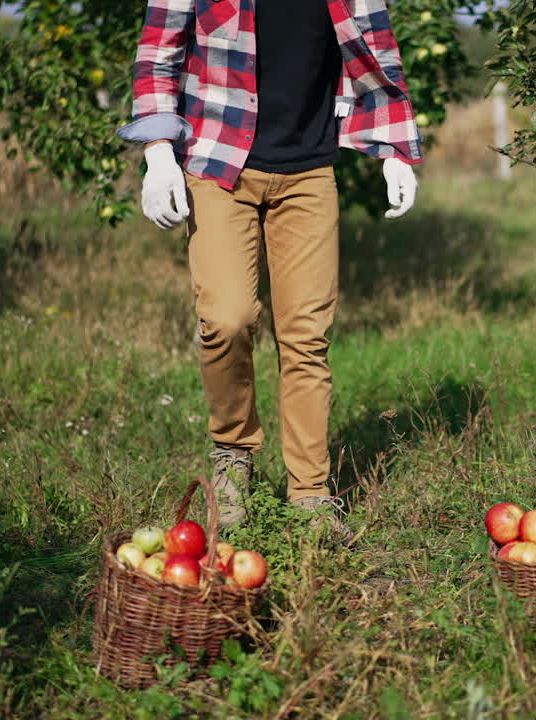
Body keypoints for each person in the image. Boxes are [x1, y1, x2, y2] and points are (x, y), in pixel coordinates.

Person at [117, 0, 423, 529]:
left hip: (308, 172)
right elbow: (157, 56)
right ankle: (233, 454)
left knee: (306, 334)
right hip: (216, 160)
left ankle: (309, 492)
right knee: (227, 318)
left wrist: (394, 150)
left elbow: (378, 54)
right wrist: (158, 152)